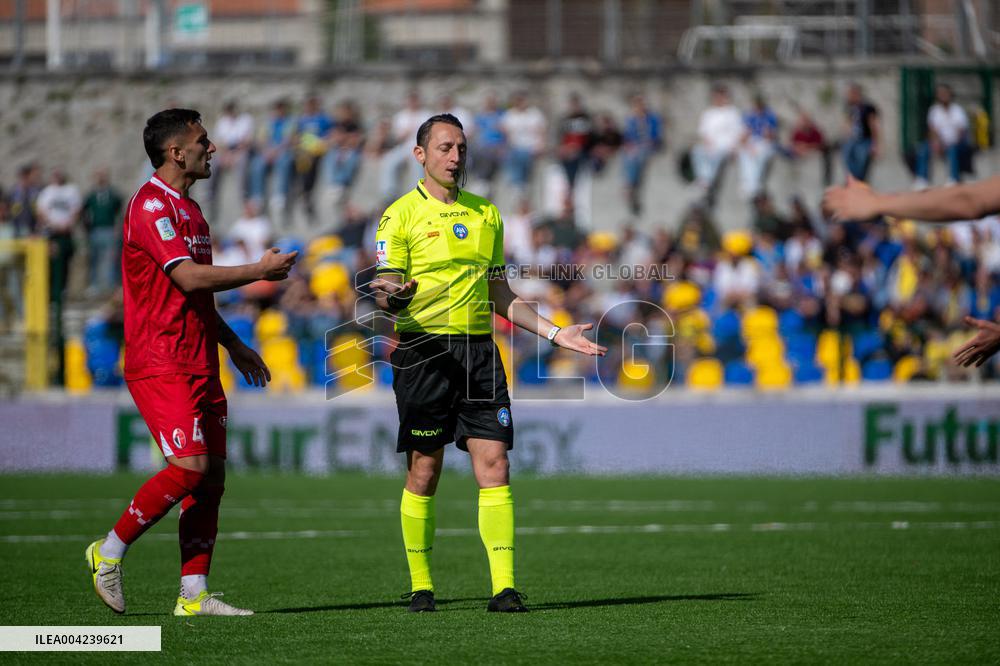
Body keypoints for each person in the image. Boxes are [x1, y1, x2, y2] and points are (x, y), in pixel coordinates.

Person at [371, 113, 605, 613]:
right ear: (420, 155)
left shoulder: (486, 214)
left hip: (479, 354)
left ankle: (504, 588)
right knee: (424, 469)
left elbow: (501, 293)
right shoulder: (399, 216)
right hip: (424, 352)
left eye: (461, 148)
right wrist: (394, 297)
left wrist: (556, 332)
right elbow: (385, 288)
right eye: (444, 148)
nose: (455, 157)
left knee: (496, 463)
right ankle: (421, 587)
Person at [84, 108, 298, 617]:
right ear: (176, 152)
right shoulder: (149, 206)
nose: (212, 148)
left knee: (212, 476)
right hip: (161, 359)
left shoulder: (192, 212)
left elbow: (198, 297)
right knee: (189, 468)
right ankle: (107, 551)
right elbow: (188, 278)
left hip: (200, 358)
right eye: (203, 140)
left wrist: (233, 344)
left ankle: (194, 594)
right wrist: (259, 270)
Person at [823, 174, 1000, 367]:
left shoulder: (929, 268)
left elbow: (969, 201)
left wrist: (878, 203)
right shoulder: (899, 267)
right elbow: (970, 201)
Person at [691, 85, 743, 201]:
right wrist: (708, 144)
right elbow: (704, 133)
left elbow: (739, 133)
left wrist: (734, 148)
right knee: (697, 151)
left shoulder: (733, 112)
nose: (718, 99)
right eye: (716, 97)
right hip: (711, 145)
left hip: (727, 146)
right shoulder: (708, 113)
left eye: (721, 96)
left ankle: (707, 180)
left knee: (716, 156)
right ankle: (704, 180)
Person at [914, 84, 970, 189]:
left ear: (950, 94)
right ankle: (922, 179)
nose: (943, 96)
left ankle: (953, 178)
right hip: (940, 142)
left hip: (956, 143)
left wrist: (951, 142)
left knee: (952, 149)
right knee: (923, 148)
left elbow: (961, 131)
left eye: (945, 93)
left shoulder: (957, 110)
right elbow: (932, 130)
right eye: (940, 94)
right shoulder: (934, 110)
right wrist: (937, 143)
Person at [82, 168, 125, 294]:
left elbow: (120, 211)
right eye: (99, 176)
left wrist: (118, 227)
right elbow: (84, 210)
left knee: (111, 258)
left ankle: (111, 284)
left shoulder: (113, 195)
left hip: (109, 229)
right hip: (95, 229)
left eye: (103, 176)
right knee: (94, 258)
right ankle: (94, 284)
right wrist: (87, 226)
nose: (101, 179)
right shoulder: (91, 195)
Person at [621, 94, 663, 215]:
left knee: (638, 154)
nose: (639, 107)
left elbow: (656, 136)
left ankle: (630, 185)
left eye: (641, 104)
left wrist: (648, 143)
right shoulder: (631, 120)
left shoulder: (653, 119)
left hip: (648, 146)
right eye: (637, 105)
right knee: (629, 156)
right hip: (635, 148)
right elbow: (627, 137)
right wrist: (629, 146)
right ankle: (630, 184)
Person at [841, 83, 880, 181]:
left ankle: (859, 182)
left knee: (862, 160)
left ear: (856, 93)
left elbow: (873, 126)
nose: (848, 96)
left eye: (849, 94)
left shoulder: (868, 107)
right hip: (853, 139)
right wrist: (847, 132)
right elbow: (847, 123)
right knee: (847, 157)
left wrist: (875, 144)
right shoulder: (849, 107)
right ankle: (853, 180)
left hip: (865, 139)